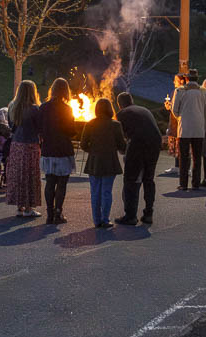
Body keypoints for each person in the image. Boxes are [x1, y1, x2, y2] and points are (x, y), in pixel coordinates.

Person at [114, 92, 161, 226]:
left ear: (120, 104)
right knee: (148, 179)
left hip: (138, 144)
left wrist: (123, 151)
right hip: (155, 144)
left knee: (131, 179)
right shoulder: (144, 110)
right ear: (132, 100)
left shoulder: (122, 114)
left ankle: (130, 216)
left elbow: (121, 137)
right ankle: (148, 213)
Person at [80, 98, 126, 228]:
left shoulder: (89, 124)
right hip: (110, 161)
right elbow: (121, 144)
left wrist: (93, 151)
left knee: (95, 192)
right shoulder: (116, 125)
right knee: (107, 191)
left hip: (94, 162)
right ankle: (105, 219)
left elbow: (83, 144)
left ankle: (96, 219)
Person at [39, 77, 76, 224]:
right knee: (62, 183)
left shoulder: (43, 107)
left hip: (48, 148)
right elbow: (71, 131)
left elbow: (40, 127)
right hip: (63, 149)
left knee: (50, 181)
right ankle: (58, 212)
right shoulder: (67, 109)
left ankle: (49, 213)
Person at [6, 80, 43, 217]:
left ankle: (19, 206)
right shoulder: (34, 109)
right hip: (31, 145)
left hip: (16, 144)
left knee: (18, 175)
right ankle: (29, 207)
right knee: (30, 175)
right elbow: (39, 127)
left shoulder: (12, 107)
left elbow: (11, 126)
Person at [170, 69, 206, 190]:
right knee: (197, 157)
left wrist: (181, 118)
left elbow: (174, 110)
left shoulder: (180, 91)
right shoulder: (205, 92)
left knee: (184, 157)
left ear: (186, 79)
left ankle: (183, 184)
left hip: (184, 128)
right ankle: (196, 183)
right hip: (199, 128)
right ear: (197, 79)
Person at [163, 74, 184, 174]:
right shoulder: (174, 92)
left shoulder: (182, 92)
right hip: (174, 122)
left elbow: (177, 109)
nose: (174, 82)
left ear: (182, 81)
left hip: (179, 122)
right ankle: (177, 166)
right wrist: (169, 106)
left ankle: (182, 167)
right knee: (176, 144)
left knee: (180, 145)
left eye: (176, 80)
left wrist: (171, 107)